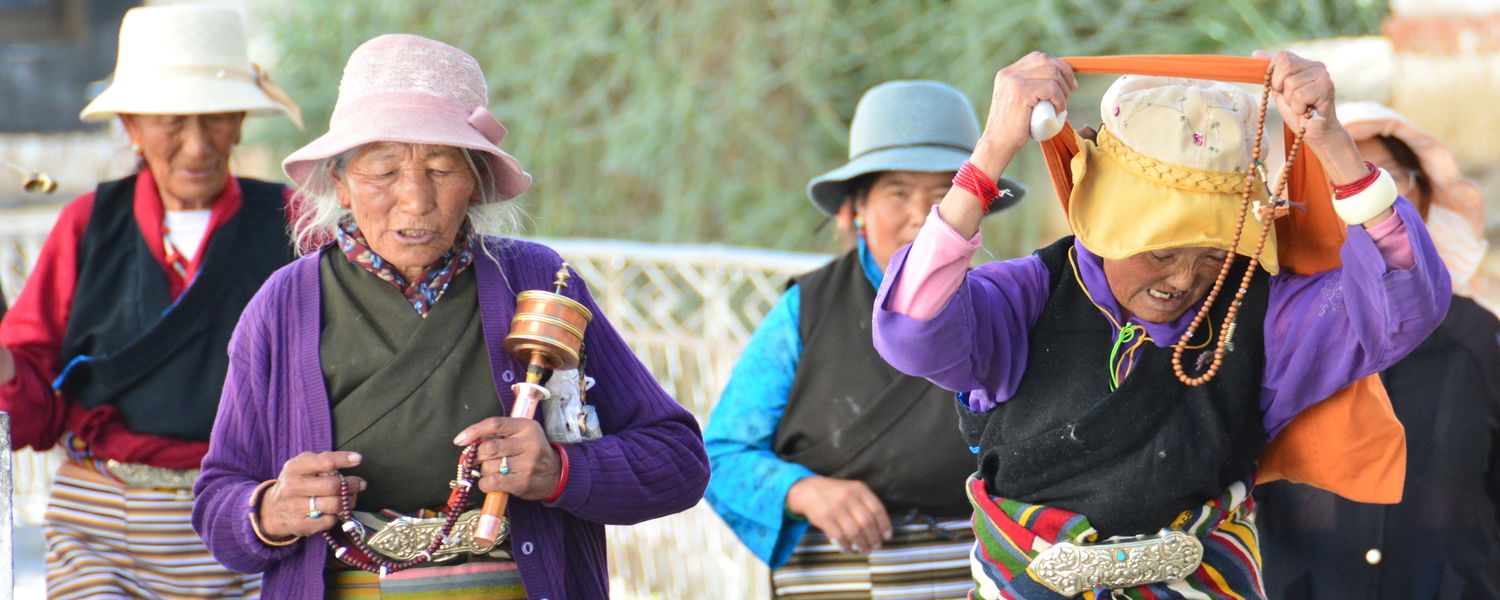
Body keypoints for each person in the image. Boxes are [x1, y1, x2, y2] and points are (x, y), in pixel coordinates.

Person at [870, 51, 1450, 599]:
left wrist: (1333, 143)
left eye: (1212, 255)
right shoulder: (1029, 295)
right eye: (1160, 251)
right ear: (1105, 223)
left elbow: (1404, 306)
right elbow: (912, 328)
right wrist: (993, 150)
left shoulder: (1262, 311)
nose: (1183, 280)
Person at [191, 34, 710, 599]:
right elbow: (219, 505)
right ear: (340, 182)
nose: (414, 199)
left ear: (478, 181)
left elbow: (677, 461)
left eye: (441, 169)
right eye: (383, 171)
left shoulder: (538, 282)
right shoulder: (284, 302)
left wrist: (558, 471)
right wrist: (271, 509)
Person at [0, 5, 302, 598]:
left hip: (248, 515)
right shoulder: (86, 226)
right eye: (170, 121)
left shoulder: (291, 224)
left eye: (216, 118)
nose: (196, 145)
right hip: (100, 523)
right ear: (132, 126)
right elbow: (32, 406)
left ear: (240, 121)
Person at [705, 80, 1024, 598]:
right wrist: (804, 491)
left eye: (947, 194)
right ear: (854, 210)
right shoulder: (804, 310)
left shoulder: (1010, 303)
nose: (923, 216)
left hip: (983, 574)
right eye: (898, 193)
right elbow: (719, 457)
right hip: (841, 574)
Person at [1254, 101, 1500, 600]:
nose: (1351, 204)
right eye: (1330, 183)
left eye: (1380, 180)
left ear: (1423, 199)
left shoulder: (1482, 338)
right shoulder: (1258, 335)